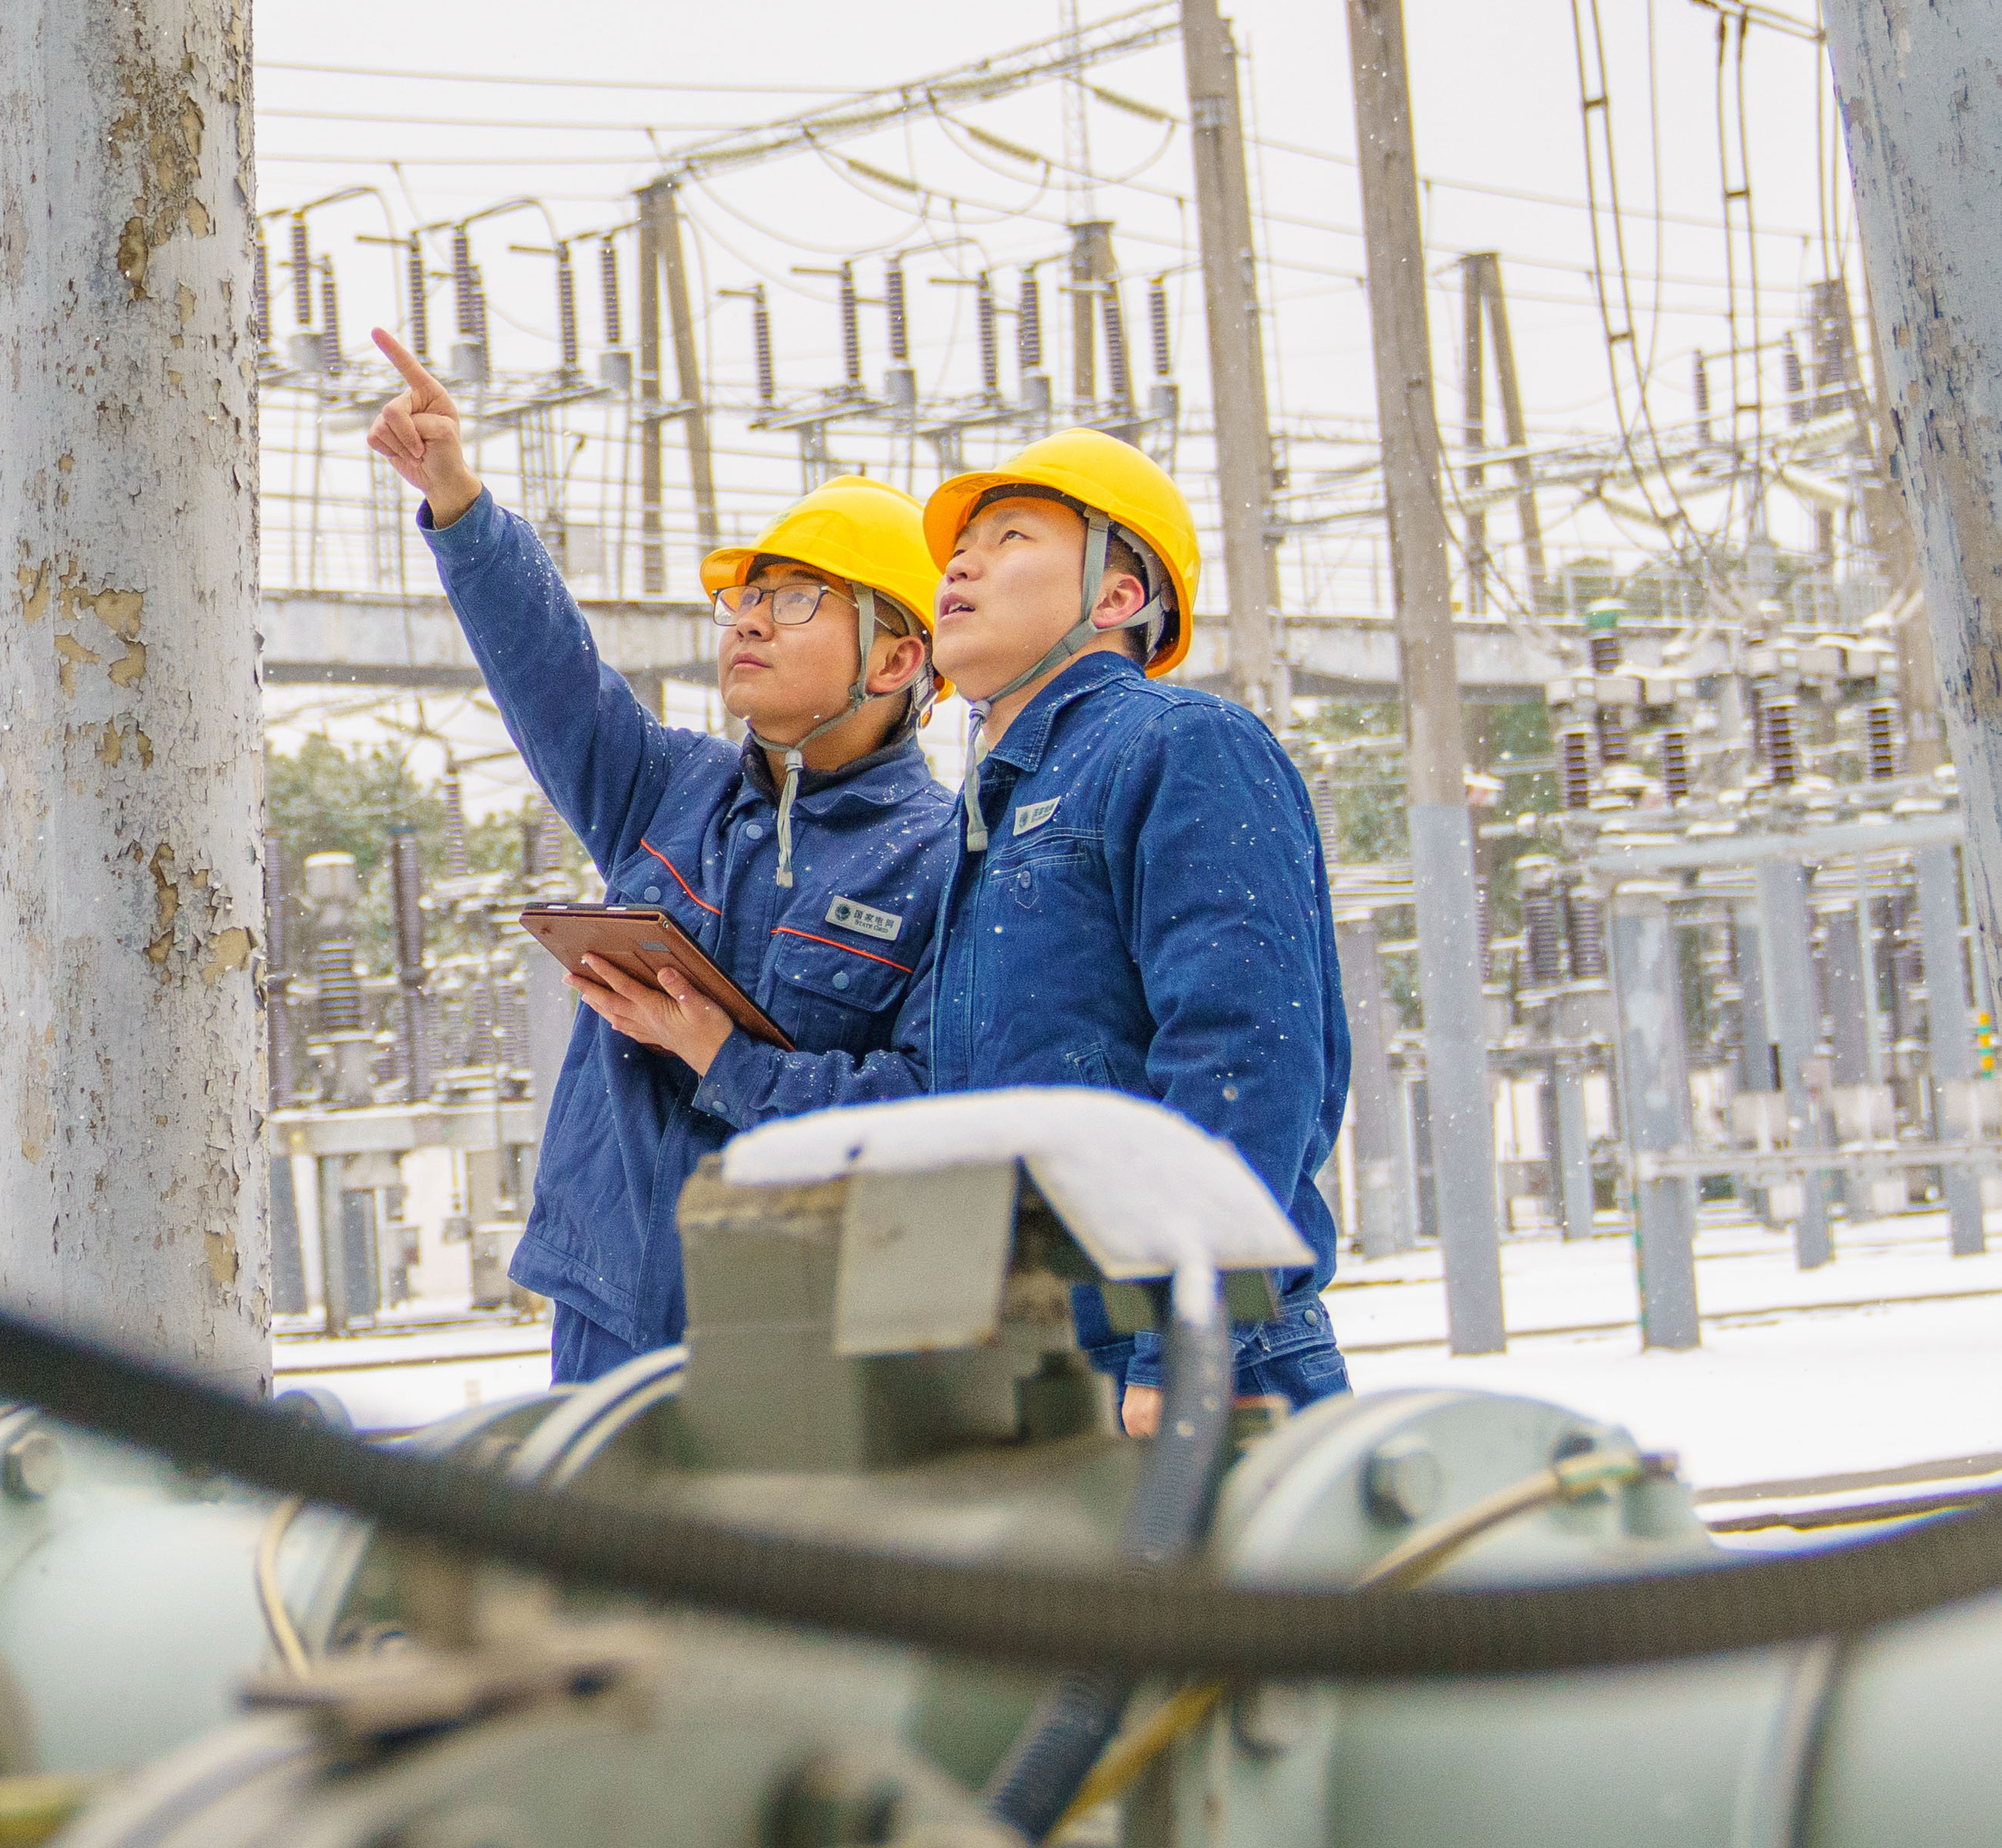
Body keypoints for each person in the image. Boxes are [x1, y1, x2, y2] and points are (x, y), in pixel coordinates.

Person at [671, 430, 1352, 1431]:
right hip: (1038, 1369)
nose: (960, 565)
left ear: (1116, 598)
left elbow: (1246, 1056)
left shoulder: (1181, 745)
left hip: (1181, 1373)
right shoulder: (989, 810)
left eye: (1010, 538)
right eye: (958, 550)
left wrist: (1182, 1344)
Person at [366, 330, 962, 1382]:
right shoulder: (669, 788)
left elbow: (929, 1111)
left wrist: (724, 1059)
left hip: (802, 1349)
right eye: (742, 599)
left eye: (793, 599)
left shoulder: (942, 864)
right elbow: (549, 671)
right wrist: (458, 501)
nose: (748, 623)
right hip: (606, 1312)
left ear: (897, 658)